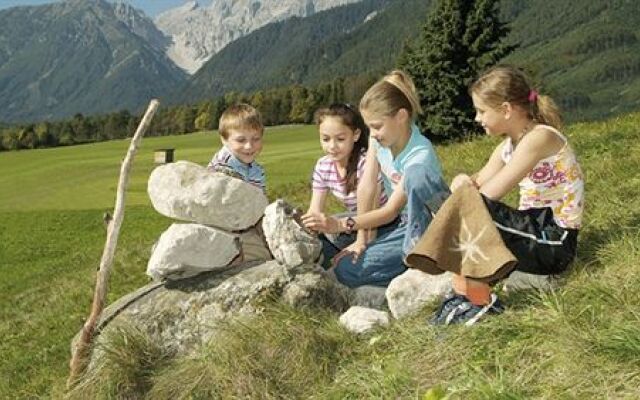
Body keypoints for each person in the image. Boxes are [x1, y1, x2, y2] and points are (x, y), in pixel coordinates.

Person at [429, 65, 584, 325]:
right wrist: (462, 181)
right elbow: (475, 183)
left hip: (555, 241)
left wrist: (465, 192)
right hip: (533, 231)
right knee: (445, 202)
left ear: (506, 110)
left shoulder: (539, 138)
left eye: (481, 111)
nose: (477, 118)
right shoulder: (507, 146)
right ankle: (465, 292)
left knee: (475, 209)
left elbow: (486, 194)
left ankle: (477, 301)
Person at [302, 70, 450, 288]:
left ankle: (422, 260)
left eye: (376, 126)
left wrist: (342, 224)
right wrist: (362, 239)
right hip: (398, 222)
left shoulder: (420, 155)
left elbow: (390, 210)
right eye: (369, 126)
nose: (372, 133)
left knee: (347, 270)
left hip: (421, 225)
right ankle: (395, 257)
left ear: (401, 116)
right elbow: (367, 187)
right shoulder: (379, 139)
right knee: (337, 248)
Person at [306, 103, 390, 269]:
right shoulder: (323, 165)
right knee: (326, 233)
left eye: (340, 139)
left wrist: (361, 240)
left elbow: (373, 213)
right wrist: (311, 226)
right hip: (354, 220)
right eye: (325, 139)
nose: (332, 146)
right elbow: (315, 210)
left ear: (356, 135)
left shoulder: (367, 163)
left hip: (381, 222)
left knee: (335, 233)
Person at [207, 103, 266, 192]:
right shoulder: (221, 169)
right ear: (224, 140)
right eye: (241, 140)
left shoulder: (257, 170)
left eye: (256, 139)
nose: (249, 146)